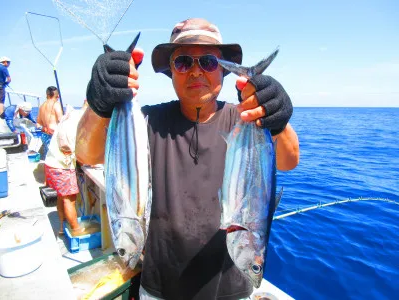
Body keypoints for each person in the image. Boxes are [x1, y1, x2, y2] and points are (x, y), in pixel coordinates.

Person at [76, 18, 300, 300]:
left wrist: (277, 122)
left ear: (223, 70)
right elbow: (86, 153)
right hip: (159, 290)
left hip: (231, 291)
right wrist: (99, 103)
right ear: (171, 71)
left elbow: (289, 160)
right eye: (183, 62)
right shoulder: (146, 121)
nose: (196, 72)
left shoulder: (247, 120)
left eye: (208, 61)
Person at [45, 100, 88, 236]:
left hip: (51, 163)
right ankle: (76, 231)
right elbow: (68, 148)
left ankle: (62, 228)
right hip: (62, 167)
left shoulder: (70, 115)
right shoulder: (79, 121)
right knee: (69, 200)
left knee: (61, 197)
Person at [36, 86, 63, 159]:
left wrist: (44, 128)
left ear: (47, 95)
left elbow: (38, 123)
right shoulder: (56, 104)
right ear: (57, 96)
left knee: (47, 155)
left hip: (44, 134)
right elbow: (61, 120)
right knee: (55, 157)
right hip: (53, 134)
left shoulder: (42, 106)